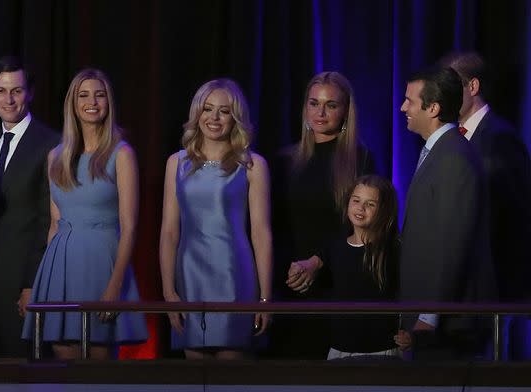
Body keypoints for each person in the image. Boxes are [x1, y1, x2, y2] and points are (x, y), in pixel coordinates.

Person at [22, 68, 148, 360]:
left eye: (99, 95)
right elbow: (54, 224)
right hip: (60, 266)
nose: (92, 101)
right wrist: (42, 282)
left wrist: (115, 285)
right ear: (73, 103)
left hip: (103, 265)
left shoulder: (122, 153)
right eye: (84, 95)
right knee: (63, 363)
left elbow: (130, 227)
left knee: (99, 363)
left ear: (108, 102)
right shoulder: (56, 156)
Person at [159, 79, 272, 360]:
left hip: (234, 275)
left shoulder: (253, 165)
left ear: (236, 118)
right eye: (208, 109)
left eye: (224, 111)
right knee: (196, 383)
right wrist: (169, 292)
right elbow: (169, 232)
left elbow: (261, 233)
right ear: (197, 113)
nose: (214, 118)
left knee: (232, 383)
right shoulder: (177, 162)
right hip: (190, 276)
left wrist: (266, 299)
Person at [269, 71, 375, 359]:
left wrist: (317, 262)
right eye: (314, 103)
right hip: (288, 284)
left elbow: (365, 228)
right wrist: (290, 271)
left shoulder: (361, 159)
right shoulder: (284, 161)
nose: (321, 112)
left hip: (337, 285)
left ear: (346, 111)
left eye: (331, 105)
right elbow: (272, 227)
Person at [394, 65, 496, 360]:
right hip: (427, 323)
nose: (403, 108)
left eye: (410, 101)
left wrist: (430, 316)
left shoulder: (454, 157)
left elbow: (453, 244)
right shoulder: (439, 151)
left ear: (433, 107)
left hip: (446, 330)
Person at [0, 56, 60, 358]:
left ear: (30, 92)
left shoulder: (51, 144)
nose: (9, 99)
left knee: (23, 377)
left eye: (16, 91)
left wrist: (32, 283)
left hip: (22, 283)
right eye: (1, 90)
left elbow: (49, 221)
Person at [440, 51, 531, 359]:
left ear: (473, 86)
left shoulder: (500, 138)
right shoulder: (454, 137)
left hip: (491, 294)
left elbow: (514, 222)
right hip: (462, 293)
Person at [291, 175, 400, 360]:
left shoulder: (393, 251)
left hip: (380, 349)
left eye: (370, 204)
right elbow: (316, 266)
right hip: (340, 349)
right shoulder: (335, 248)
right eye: (356, 200)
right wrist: (304, 268)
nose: (361, 207)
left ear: (384, 210)